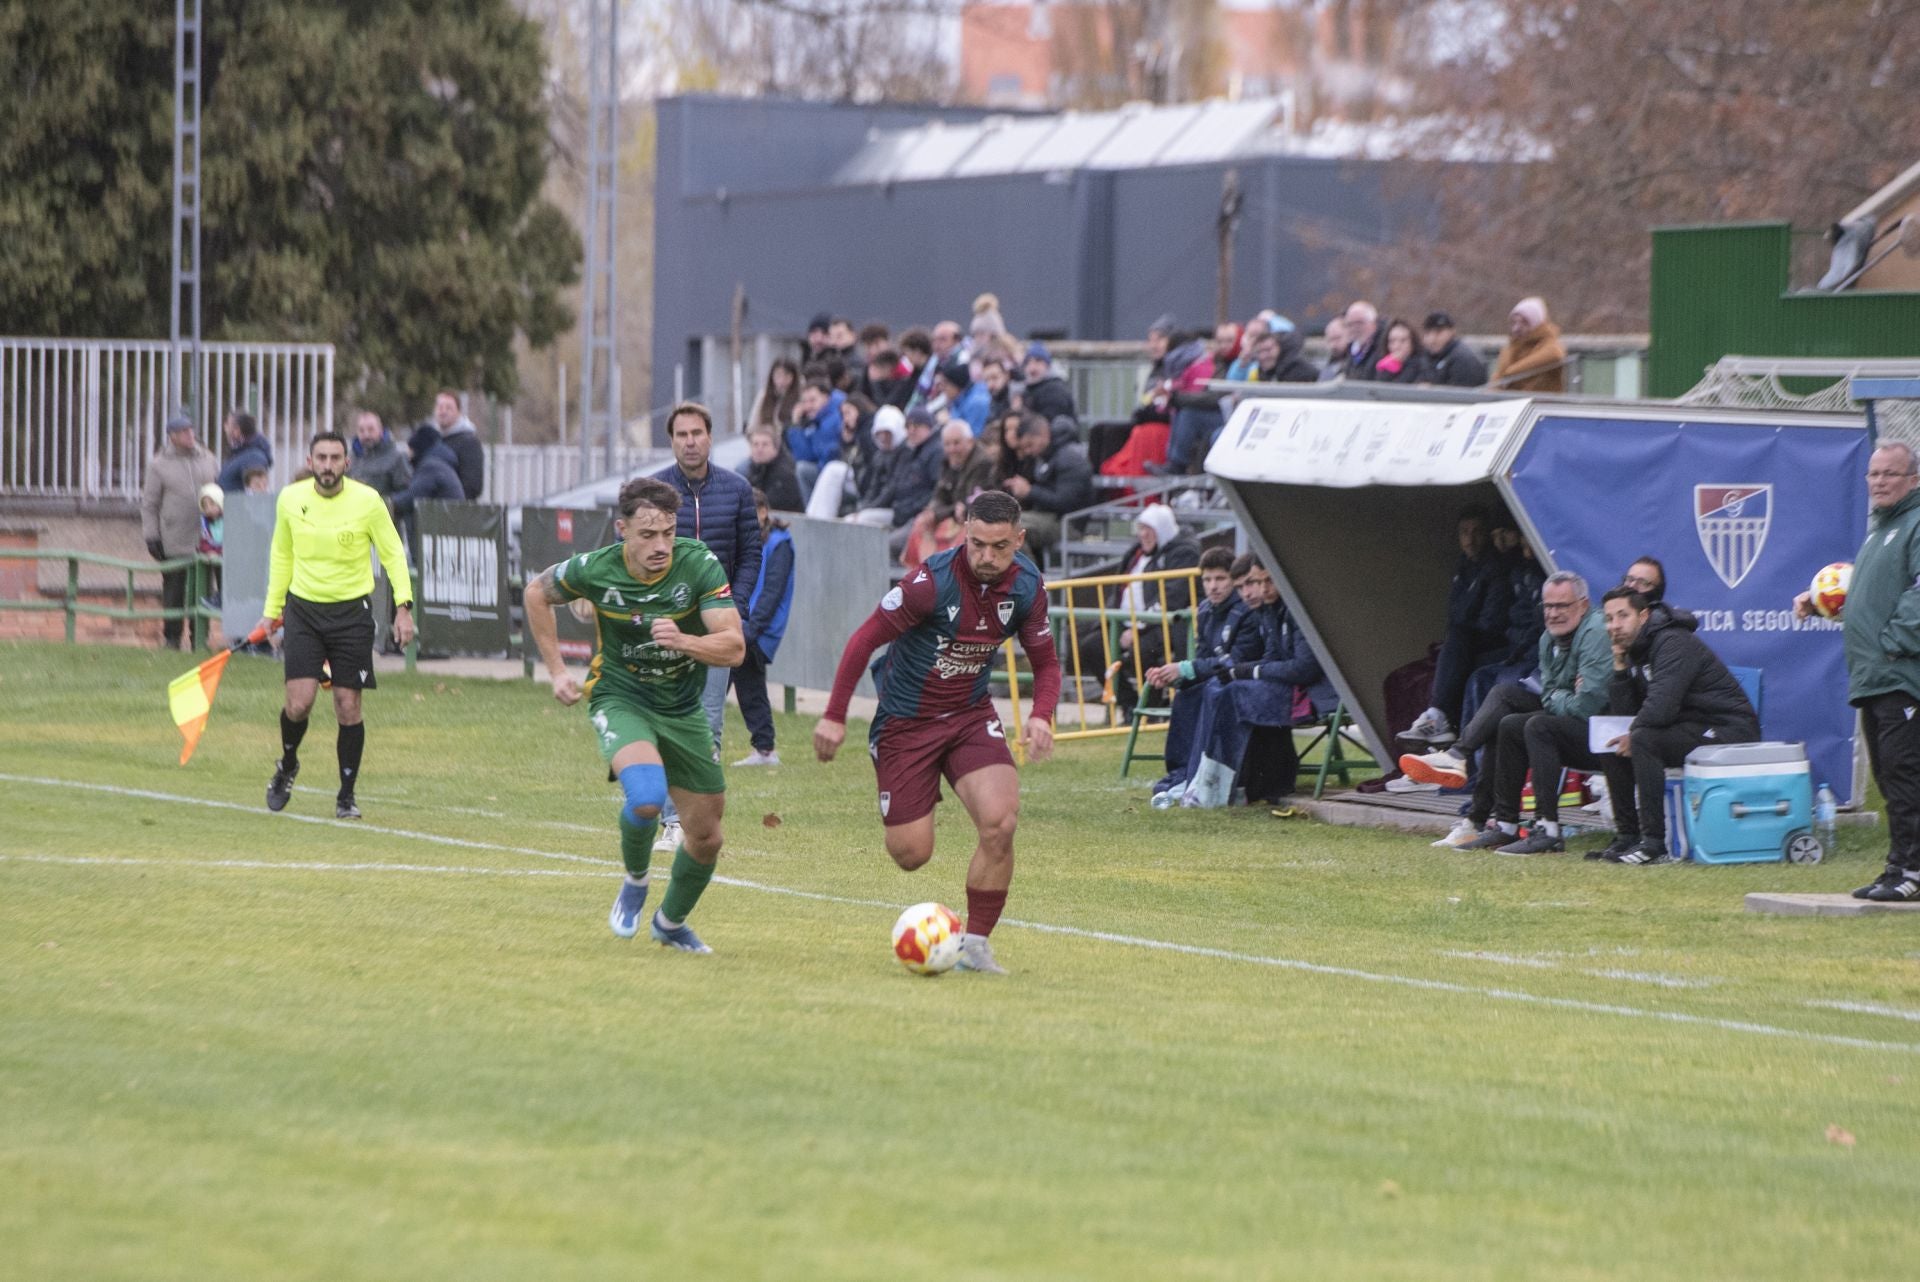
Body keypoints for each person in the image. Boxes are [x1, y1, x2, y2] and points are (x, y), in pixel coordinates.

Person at [813, 490, 1061, 976]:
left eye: (1000, 547)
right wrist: (834, 714)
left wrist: (1041, 715)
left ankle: (976, 944)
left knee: (1001, 823)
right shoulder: (930, 583)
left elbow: (1047, 663)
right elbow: (865, 639)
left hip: (969, 716)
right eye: (977, 544)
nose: (987, 557)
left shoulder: (1028, 586)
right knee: (911, 855)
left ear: (1019, 539)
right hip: (906, 723)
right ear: (964, 532)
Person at [523, 476, 744, 952]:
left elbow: (734, 647)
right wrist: (558, 671)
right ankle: (636, 880)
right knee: (646, 797)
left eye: (667, 532)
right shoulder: (595, 568)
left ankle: (669, 923)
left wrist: (684, 640)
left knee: (706, 837)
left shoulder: (699, 564)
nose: (660, 544)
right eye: (647, 535)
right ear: (622, 530)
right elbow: (536, 594)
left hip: (683, 708)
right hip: (622, 696)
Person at [255, 432, 416, 820]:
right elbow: (281, 554)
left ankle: (346, 796)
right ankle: (288, 764)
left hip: (352, 615)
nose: (328, 465)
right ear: (310, 462)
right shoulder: (291, 500)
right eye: (321, 458)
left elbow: (393, 553)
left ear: (348, 462)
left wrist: (403, 607)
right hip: (304, 612)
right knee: (299, 703)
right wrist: (271, 610)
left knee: (348, 705)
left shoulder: (367, 501)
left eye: (335, 458)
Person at [1403, 571, 1613, 852]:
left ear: (1584, 605)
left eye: (1562, 606)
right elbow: (1554, 694)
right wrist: (1565, 694)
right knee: (1505, 710)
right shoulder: (1548, 638)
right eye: (1548, 606)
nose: (1553, 614)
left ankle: (1546, 828)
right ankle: (1502, 824)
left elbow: (1588, 704)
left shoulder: (1595, 630)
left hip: (1604, 731)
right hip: (1570, 718)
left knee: (1536, 724)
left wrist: (1560, 696)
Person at [1796, 442, 1920, 900]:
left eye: (1891, 474)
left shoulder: (1915, 523)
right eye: (1874, 474)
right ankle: (1897, 869)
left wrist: (1893, 645)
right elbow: (1868, 597)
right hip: (1873, 678)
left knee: (1906, 778)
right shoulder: (1879, 531)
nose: (1880, 481)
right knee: (1890, 780)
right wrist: (1816, 599)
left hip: (1902, 677)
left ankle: (1912, 873)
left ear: (1914, 480)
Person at [652, 401, 762, 849]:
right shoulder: (654, 489)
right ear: (672, 440)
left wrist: (734, 606)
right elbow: (634, 553)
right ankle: (670, 820)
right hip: (666, 624)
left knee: (708, 722)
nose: (690, 441)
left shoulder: (736, 489)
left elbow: (752, 553)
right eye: (682, 434)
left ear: (710, 437)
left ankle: (696, 820)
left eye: (697, 433)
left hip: (717, 625)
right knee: (667, 718)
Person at [1595, 586, 1761, 864]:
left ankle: (1653, 844)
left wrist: (1633, 734)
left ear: (1644, 615)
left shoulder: (1672, 642)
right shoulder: (1639, 650)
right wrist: (1620, 666)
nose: (1614, 626)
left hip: (1729, 729)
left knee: (1643, 739)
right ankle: (1627, 837)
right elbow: (1628, 715)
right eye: (1609, 619)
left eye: (1623, 616)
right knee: (1612, 742)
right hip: (1691, 726)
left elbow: (1660, 708)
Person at [1178, 556, 1335, 807]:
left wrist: (1247, 672)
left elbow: (1304, 669)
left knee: (1234, 693)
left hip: (1315, 695)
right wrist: (1240, 672)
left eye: (1267, 581)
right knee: (1219, 688)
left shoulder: (1296, 609)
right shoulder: (1268, 610)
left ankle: (1226, 786)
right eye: (1255, 583)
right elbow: (1272, 658)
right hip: (1290, 688)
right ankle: (1198, 778)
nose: (1261, 590)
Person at [1144, 546, 1258, 797]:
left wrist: (1185, 668)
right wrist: (1173, 676)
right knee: (1187, 692)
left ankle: (1202, 774)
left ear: (1233, 579)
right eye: (1207, 579)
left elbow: (1237, 660)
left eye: (1220, 579)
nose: (1213, 586)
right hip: (1219, 678)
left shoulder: (1247, 611)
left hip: (1243, 680)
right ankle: (1182, 773)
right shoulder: (1205, 610)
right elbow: (1204, 658)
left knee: (1208, 691)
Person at [1073, 503, 1200, 718]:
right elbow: (1121, 589)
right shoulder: (1135, 553)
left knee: (1142, 650)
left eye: (1149, 529)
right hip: (1125, 621)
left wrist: (1138, 627)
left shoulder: (1184, 553)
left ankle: (1151, 709)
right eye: (1140, 528)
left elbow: (1172, 597)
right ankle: (1130, 704)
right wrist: (1113, 621)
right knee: (1091, 647)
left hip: (1163, 624)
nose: (1143, 534)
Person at [1405, 507, 1514, 746]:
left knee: (1459, 645)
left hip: (1501, 642)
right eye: (1464, 532)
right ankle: (1434, 731)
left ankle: (1439, 717)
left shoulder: (1497, 567)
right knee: (1409, 677)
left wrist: (1464, 628)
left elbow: (1492, 621)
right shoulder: (1464, 567)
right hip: (1470, 638)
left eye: (1477, 532)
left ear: (1488, 535)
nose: (1470, 539)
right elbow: (1455, 613)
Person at [140, 409, 219, 651]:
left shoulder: (207, 459)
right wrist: (151, 535)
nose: (189, 434)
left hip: (207, 538)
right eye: (183, 431)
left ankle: (200, 637)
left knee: (203, 590)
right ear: (172, 436)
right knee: (174, 590)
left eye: (190, 429)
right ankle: (172, 637)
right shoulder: (159, 465)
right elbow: (150, 504)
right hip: (175, 538)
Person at [731, 490, 795, 767]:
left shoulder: (779, 544)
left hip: (758, 628)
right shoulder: (747, 542)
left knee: (721, 679)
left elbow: (772, 592)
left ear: (763, 512)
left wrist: (751, 630)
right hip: (744, 624)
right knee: (748, 683)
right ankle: (765, 750)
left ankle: (706, 745)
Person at [903, 419, 995, 567]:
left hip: (976, 519)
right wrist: (934, 512)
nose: (952, 449)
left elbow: (972, 504)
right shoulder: (948, 461)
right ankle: (922, 577)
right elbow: (940, 496)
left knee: (963, 535)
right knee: (922, 523)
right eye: (947, 444)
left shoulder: (982, 463)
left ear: (970, 442)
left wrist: (943, 512)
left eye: (957, 443)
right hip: (953, 514)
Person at [1003, 412, 1093, 561]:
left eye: (1030, 445)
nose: (1027, 451)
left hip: (1068, 524)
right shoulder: (1049, 456)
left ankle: (1030, 580)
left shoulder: (1070, 458)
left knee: (1010, 530)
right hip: (1050, 519)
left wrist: (1030, 491)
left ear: (1043, 435)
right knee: (998, 523)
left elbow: (1065, 503)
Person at [388, 423, 466, 526]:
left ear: (417, 449)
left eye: (410, 449)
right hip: (450, 525)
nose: (408, 454)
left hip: (442, 527)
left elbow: (411, 498)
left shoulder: (430, 468)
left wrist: (385, 503)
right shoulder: (439, 464)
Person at [1490, 297, 1568, 393]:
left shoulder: (1547, 343)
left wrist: (1511, 372)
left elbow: (1555, 354)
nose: (1516, 328)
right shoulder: (1512, 346)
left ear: (1536, 324)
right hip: (1514, 403)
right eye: (1514, 322)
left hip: (1541, 405)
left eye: (1524, 322)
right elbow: (1498, 378)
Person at [432, 390, 485, 500]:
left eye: (449, 408)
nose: (443, 412)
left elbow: (472, 485)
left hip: (456, 511)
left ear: (459, 412)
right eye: (440, 407)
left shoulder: (469, 443)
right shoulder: (432, 441)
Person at [347, 410, 412, 499]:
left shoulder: (396, 458)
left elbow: (406, 492)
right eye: (361, 430)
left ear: (380, 430)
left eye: (371, 429)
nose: (366, 435)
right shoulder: (351, 459)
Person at [744, 424, 805, 514]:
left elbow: (767, 505)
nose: (759, 449)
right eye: (755, 444)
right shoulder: (753, 470)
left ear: (776, 448)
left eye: (765, 444)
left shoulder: (784, 474)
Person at [1420, 312, 1488, 387]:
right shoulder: (1426, 357)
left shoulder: (1463, 359)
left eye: (1438, 332)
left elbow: (1459, 395)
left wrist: (1431, 389)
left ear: (1452, 332)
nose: (1432, 339)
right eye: (1428, 333)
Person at [216, 410, 272, 492]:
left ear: (237, 430)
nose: (225, 428)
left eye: (227, 424)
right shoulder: (238, 454)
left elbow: (259, 492)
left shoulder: (253, 458)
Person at [1019, 343, 1076, 422]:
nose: (1032, 367)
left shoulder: (1055, 390)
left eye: (1038, 361)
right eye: (1028, 362)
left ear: (1048, 365)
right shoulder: (1029, 389)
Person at [936, 357, 990, 436]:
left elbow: (972, 435)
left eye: (945, 385)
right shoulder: (957, 399)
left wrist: (949, 423)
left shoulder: (977, 402)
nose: (942, 389)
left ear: (955, 386)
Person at [749, 357, 801, 433]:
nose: (782, 380)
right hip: (767, 441)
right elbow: (752, 426)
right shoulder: (764, 395)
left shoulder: (800, 396)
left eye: (786, 376)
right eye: (778, 375)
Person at [1372, 319, 1429, 383]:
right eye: (1392, 341)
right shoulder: (1380, 363)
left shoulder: (1423, 364)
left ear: (1412, 343)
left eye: (1403, 341)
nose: (1397, 346)